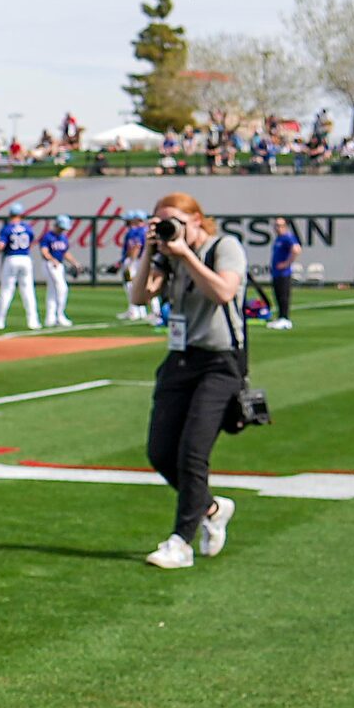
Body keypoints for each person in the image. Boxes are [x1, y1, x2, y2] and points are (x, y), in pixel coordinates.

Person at [133, 193, 250, 570]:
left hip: (220, 362)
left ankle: (180, 543)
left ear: (197, 220)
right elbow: (139, 296)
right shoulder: (166, 255)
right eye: (160, 221)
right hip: (180, 360)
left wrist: (185, 254)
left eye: (174, 220)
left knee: (192, 453)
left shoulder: (224, 247)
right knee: (160, 452)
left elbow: (224, 291)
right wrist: (149, 251)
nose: (167, 227)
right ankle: (212, 508)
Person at [0, 210, 39, 329]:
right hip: (25, 258)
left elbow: (0, 246)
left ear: (10, 215)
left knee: (6, 291)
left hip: (11, 258)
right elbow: (31, 241)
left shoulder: (7, 229)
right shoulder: (28, 228)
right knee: (28, 291)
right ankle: (33, 321)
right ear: (21, 215)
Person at [117, 213, 153, 322]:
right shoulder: (146, 230)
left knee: (132, 285)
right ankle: (139, 311)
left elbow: (136, 247)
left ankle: (135, 311)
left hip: (137, 261)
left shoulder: (136, 231)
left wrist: (130, 263)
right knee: (140, 285)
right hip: (143, 260)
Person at [38, 216, 73, 327]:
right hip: (50, 264)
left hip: (59, 265)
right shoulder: (48, 236)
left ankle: (50, 318)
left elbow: (65, 252)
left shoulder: (63, 238)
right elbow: (44, 251)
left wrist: (75, 262)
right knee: (62, 288)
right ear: (56, 225)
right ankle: (60, 315)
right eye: (61, 228)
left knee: (52, 291)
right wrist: (52, 259)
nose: (63, 230)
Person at [265, 218, 299, 330]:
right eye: (276, 225)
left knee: (284, 296)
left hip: (283, 273)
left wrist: (287, 263)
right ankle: (280, 318)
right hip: (276, 273)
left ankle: (285, 318)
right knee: (278, 295)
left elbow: (296, 249)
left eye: (280, 225)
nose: (277, 228)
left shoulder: (288, 238)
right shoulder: (278, 239)